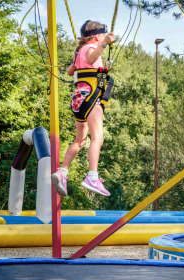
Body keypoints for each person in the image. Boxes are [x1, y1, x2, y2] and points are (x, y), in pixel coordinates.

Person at [51, 20, 115, 197]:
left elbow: (71, 71)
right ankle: (92, 177)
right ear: (97, 36)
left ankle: (62, 171)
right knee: (98, 137)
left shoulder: (80, 52)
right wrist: (104, 44)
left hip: (79, 100)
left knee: (80, 140)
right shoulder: (90, 49)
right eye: (102, 36)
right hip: (91, 98)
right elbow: (92, 58)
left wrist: (100, 67)